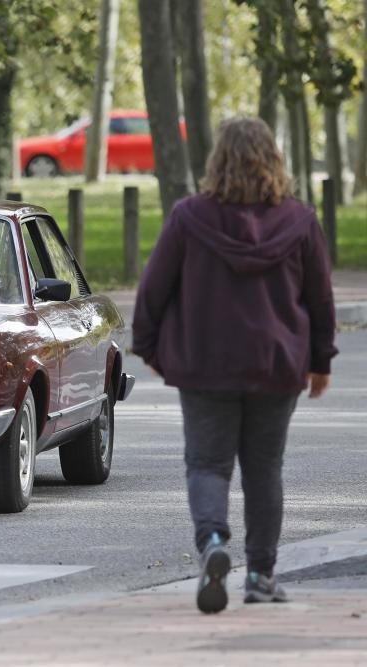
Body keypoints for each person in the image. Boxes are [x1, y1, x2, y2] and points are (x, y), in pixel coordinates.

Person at [131, 117, 337, 613]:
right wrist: (320, 361)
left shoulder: (188, 218)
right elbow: (320, 299)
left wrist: (154, 352)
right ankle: (262, 575)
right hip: (276, 365)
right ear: (274, 159)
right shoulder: (299, 221)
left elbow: (152, 292)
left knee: (207, 463)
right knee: (265, 469)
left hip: (204, 365)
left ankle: (214, 541)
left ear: (217, 159)